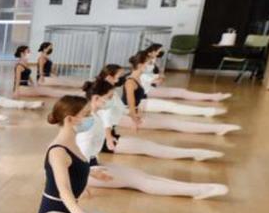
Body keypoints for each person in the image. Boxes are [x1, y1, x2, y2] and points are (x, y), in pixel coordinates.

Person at [34, 94, 265, 213]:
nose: (91, 118)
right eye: (86, 115)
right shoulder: (58, 150)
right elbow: (63, 190)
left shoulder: (71, 141)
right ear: (70, 119)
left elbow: (72, 170)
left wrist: (91, 172)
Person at [77, 79, 228, 199]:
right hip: (85, 173)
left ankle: (196, 187)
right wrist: (80, 185)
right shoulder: (88, 122)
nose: (112, 100)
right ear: (96, 98)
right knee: (139, 180)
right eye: (109, 98)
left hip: (92, 166)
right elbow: (72, 156)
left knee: (140, 175)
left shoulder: (94, 116)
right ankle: (196, 190)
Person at [94, 64, 223, 161]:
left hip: (108, 135)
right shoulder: (103, 93)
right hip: (102, 140)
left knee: (148, 145)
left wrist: (133, 117)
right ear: (110, 77)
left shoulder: (110, 91)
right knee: (148, 147)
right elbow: (105, 118)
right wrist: (109, 138)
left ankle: (195, 152)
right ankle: (195, 153)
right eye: (119, 76)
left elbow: (120, 108)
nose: (123, 77)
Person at [121, 54, 240, 135]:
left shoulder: (137, 78)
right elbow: (130, 103)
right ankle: (215, 126)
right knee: (172, 122)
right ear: (141, 65)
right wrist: (134, 119)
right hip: (135, 108)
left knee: (173, 110)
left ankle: (210, 117)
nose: (151, 65)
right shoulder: (130, 81)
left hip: (141, 105)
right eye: (148, 63)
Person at [142, 44, 231, 103]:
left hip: (147, 88)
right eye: (158, 51)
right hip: (145, 91)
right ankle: (213, 97)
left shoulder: (151, 62)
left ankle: (212, 96)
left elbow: (154, 79)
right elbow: (147, 79)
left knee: (180, 92)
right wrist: (157, 78)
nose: (159, 54)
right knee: (180, 93)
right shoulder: (144, 63)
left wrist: (158, 76)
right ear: (150, 52)